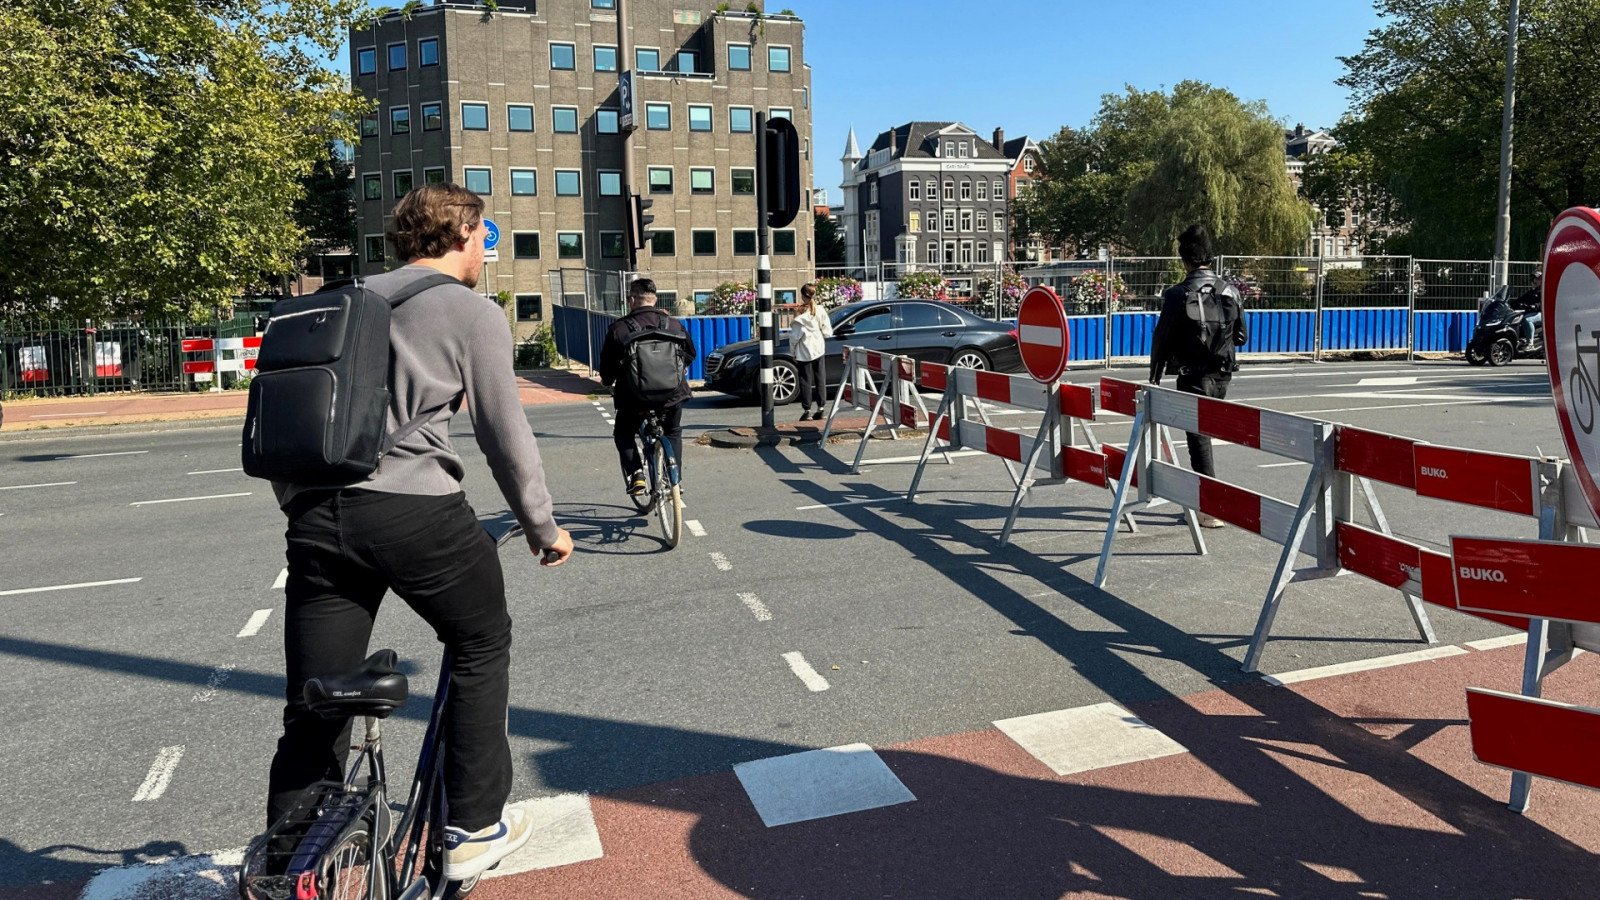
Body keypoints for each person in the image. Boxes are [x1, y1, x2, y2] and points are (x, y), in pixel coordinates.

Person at [263, 183, 573, 882]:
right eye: (485, 237)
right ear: (464, 234)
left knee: (314, 697)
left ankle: (285, 867)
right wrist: (542, 525)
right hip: (416, 513)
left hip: (316, 515)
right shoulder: (468, 312)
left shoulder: (341, 301)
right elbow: (503, 433)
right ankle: (469, 827)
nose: (487, 251)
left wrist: (302, 504)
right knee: (480, 641)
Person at [1149, 224, 1249, 529]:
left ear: (1185, 260)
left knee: (1198, 440)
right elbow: (1242, 336)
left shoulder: (1178, 294)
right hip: (1223, 376)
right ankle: (1209, 503)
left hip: (1192, 375)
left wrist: (1155, 376)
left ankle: (1209, 509)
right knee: (1206, 434)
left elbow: (1162, 339)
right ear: (1210, 257)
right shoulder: (1230, 291)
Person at [599, 278, 696, 495]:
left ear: (632, 300)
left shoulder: (619, 329)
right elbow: (690, 354)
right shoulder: (673, 324)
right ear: (655, 299)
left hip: (634, 398)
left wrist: (607, 381)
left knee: (623, 434)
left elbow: (607, 368)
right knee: (673, 431)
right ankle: (675, 482)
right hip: (672, 395)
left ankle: (637, 475)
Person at [788, 283, 835, 420]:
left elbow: (795, 337)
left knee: (805, 380)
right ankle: (821, 408)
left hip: (803, 351)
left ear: (803, 296)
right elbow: (827, 332)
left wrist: (793, 352)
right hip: (818, 348)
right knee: (820, 378)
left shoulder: (799, 312)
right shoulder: (820, 310)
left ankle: (807, 410)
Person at [1511, 269, 1543, 350]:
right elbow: (1520, 299)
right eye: (1534, 279)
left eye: (1537, 279)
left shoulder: (1544, 291)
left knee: (1527, 320)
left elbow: (1542, 304)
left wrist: (1535, 306)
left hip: (1542, 314)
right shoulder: (1531, 292)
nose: (1535, 281)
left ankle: (1530, 343)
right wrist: (1509, 303)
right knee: (1516, 318)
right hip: (1531, 313)